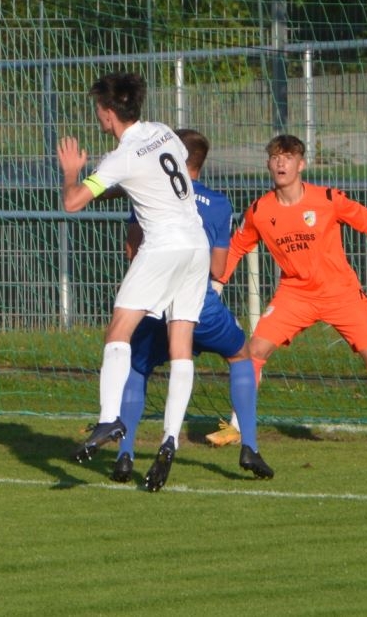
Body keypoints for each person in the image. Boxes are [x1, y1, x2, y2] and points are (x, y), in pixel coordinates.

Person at [214, 134, 367, 445]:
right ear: (268, 164)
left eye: (288, 158)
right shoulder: (259, 211)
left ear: (301, 164)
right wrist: (217, 283)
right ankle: (236, 427)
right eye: (275, 157)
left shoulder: (327, 199)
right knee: (255, 351)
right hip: (295, 294)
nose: (281, 163)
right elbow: (236, 247)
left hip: (341, 293)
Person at [58, 73, 211, 492]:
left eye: (98, 109)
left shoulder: (120, 157)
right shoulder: (163, 132)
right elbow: (156, 176)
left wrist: (72, 173)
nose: (97, 116)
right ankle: (169, 439)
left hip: (162, 246)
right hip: (196, 244)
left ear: (109, 113)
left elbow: (72, 203)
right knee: (181, 345)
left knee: (118, 331)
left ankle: (109, 419)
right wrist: (112, 183)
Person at [111, 129, 271, 484]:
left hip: (157, 301)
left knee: (136, 368)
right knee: (240, 355)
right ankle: (249, 446)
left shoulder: (150, 192)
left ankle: (125, 454)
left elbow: (132, 250)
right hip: (200, 303)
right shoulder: (218, 203)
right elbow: (219, 267)